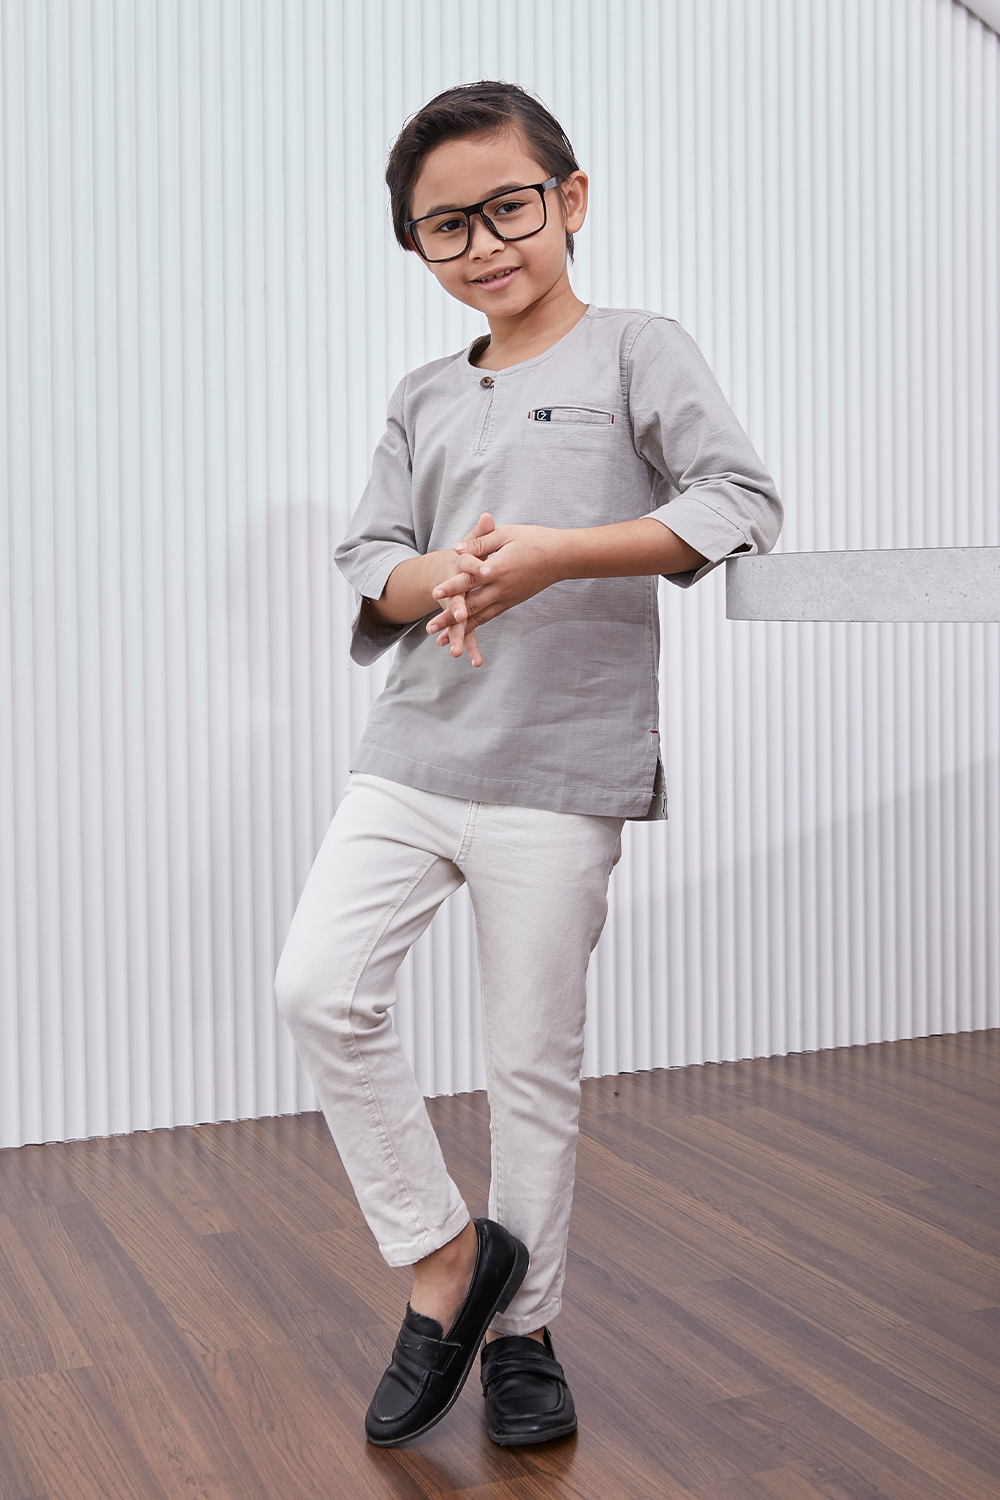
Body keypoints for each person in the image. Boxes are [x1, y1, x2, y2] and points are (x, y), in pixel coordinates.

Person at [274, 80, 782, 1449]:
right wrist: (446, 573)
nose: (484, 244)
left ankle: (525, 1333)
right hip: (413, 753)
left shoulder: (636, 350)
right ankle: (446, 1256)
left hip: (562, 766)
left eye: (507, 207)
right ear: (417, 245)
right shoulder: (423, 394)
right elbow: (371, 558)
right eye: (445, 227)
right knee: (318, 988)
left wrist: (556, 556)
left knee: (528, 1068)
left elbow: (738, 500)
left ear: (570, 198)